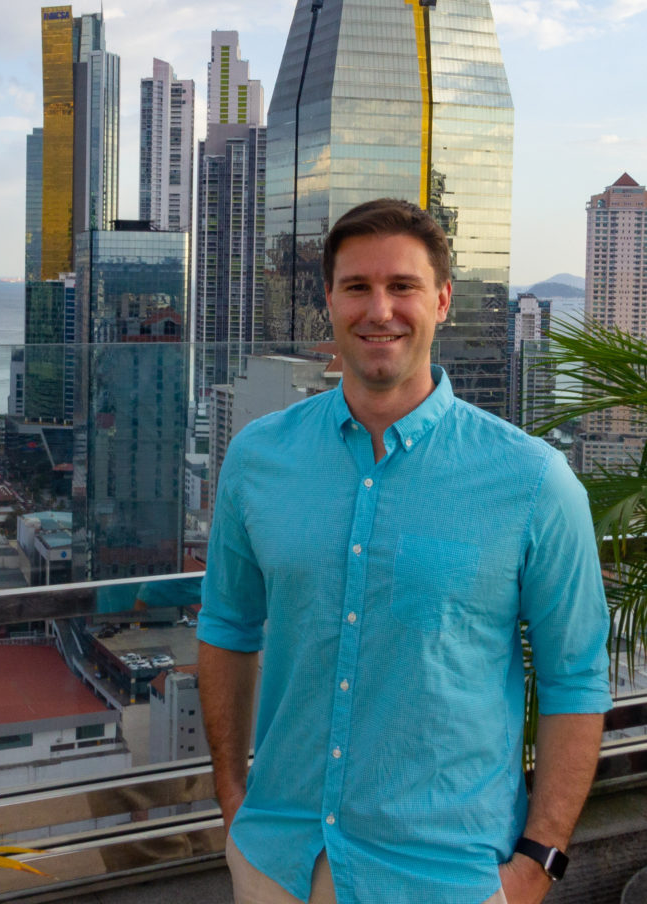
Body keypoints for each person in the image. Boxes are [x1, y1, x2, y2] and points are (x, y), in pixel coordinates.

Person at [197, 199, 612, 904]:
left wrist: (538, 859)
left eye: (403, 287)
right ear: (328, 300)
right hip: (278, 860)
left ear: (443, 301)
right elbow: (226, 629)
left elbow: (577, 677)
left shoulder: (535, 482)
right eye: (357, 286)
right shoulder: (257, 459)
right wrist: (234, 797)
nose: (378, 309)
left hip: (450, 876)